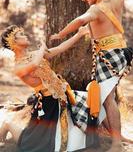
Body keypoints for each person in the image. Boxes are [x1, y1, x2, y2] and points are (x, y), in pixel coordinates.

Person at [50, 0, 133, 152]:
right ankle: (116, 135)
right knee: (101, 97)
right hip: (118, 53)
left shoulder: (96, 9)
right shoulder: (117, 1)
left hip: (107, 57)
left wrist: (60, 34)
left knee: (108, 100)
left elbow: (79, 20)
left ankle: (117, 143)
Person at [1, 24, 102, 152]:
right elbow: (34, 64)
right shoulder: (18, 67)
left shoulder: (35, 54)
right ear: (13, 42)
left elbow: (59, 48)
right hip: (47, 103)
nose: (25, 35)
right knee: (34, 145)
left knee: (94, 103)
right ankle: (7, 124)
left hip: (62, 97)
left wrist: (79, 34)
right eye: (21, 35)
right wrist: (42, 48)